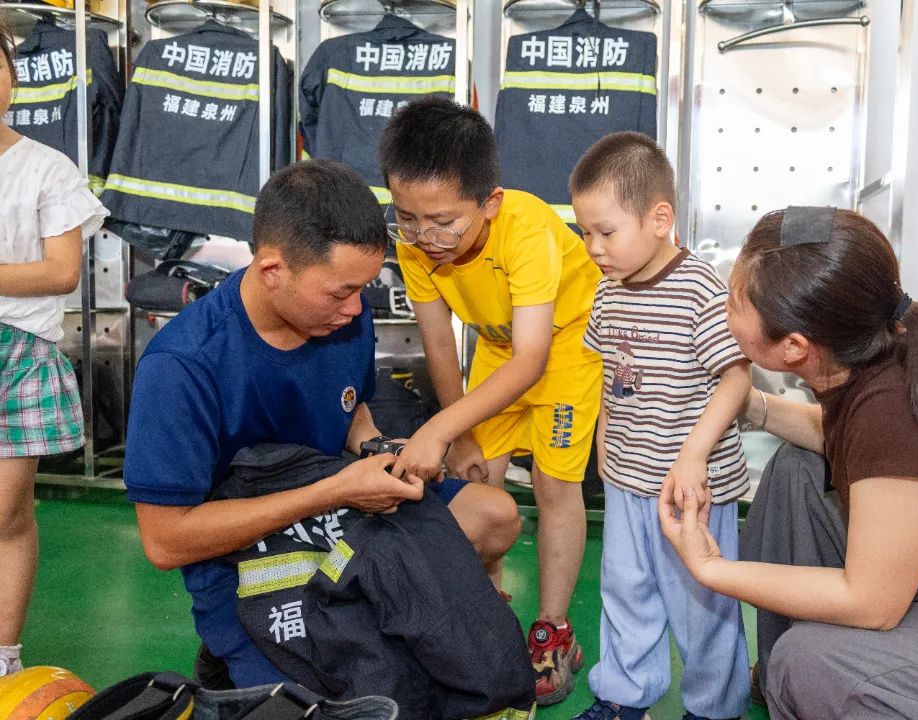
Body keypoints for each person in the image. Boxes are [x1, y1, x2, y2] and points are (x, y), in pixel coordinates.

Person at [660, 206, 918, 719]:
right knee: (797, 469)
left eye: (732, 301)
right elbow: (845, 441)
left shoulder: (897, 410)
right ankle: (779, 686)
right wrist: (749, 405)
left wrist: (711, 567)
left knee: (810, 662)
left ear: (794, 346)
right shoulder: (879, 344)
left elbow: (871, 603)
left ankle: (809, 681)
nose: (722, 309)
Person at [123, 159, 521, 688]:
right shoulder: (181, 365)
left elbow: (351, 405)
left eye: (362, 289)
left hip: (338, 511)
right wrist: (334, 492)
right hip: (242, 553)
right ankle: (234, 650)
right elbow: (165, 542)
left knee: (494, 516)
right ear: (272, 271)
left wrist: (375, 448)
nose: (355, 308)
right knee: (326, 700)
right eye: (339, 292)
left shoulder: (341, 317)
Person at [378, 96, 603, 705]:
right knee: (478, 482)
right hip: (499, 348)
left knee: (555, 486)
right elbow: (438, 343)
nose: (425, 237)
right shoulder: (416, 245)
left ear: (490, 203)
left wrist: (438, 430)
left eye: (443, 221)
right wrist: (461, 436)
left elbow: (534, 360)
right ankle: (487, 612)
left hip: (565, 346)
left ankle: (553, 630)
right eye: (407, 218)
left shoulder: (526, 229)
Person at [569, 132, 751, 720]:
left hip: (693, 487)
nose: (593, 248)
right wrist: (603, 442)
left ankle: (714, 707)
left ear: (659, 218)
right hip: (628, 478)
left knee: (703, 601)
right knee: (626, 589)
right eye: (585, 233)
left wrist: (693, 456)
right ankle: (625, 696)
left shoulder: (699, 287)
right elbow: (610, 372)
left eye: (605, 232)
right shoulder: (609, 291)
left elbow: (736, 379)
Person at [0, 19, 109, 676]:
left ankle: (4, 656)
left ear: (12, 78)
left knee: (7, 513)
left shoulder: (46, 168)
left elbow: (61, 271)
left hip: (20, 355)